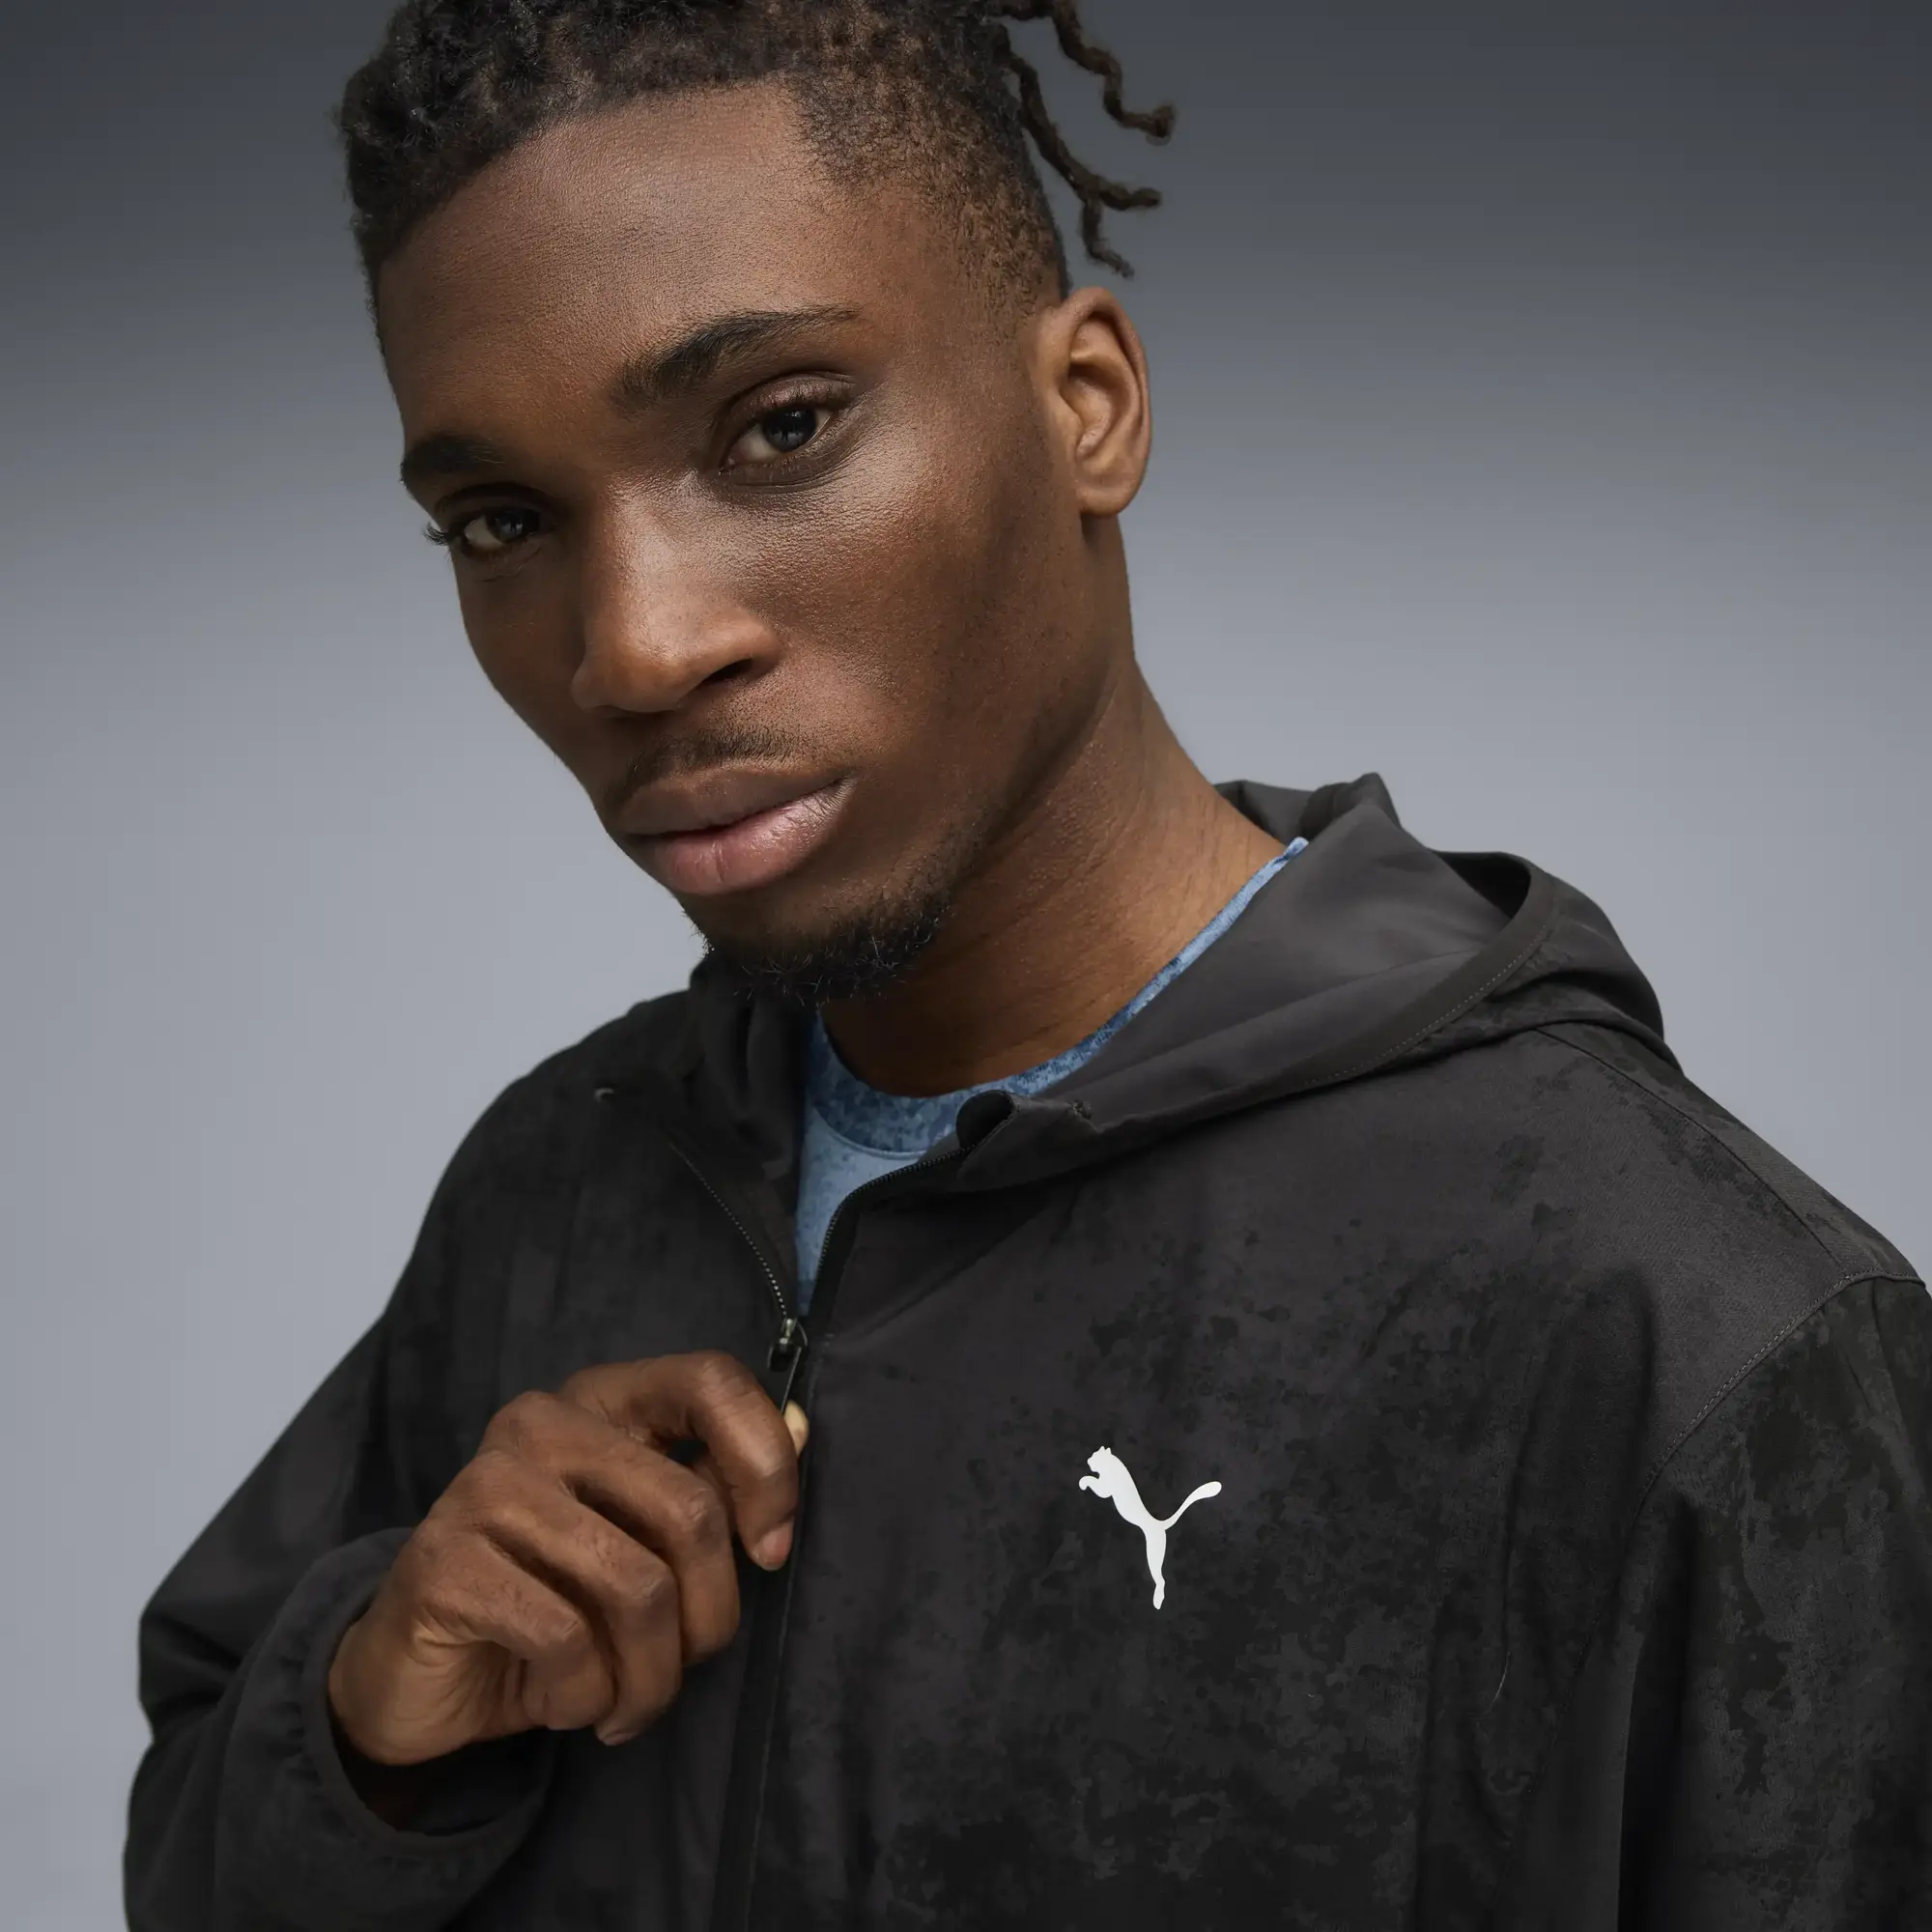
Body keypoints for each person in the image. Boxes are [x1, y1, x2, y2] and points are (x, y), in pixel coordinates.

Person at [125, 2, 1931, 1926]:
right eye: (502, 519)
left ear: (1089, 406)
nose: (632, 648)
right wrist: (370, 1744)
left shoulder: (1689, 1334)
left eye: (781, 426)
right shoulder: (557, 1186)